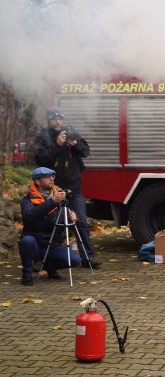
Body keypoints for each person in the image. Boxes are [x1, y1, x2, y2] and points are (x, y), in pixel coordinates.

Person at [33, 106, 100, 268]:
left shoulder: (71, 131)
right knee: (51, 224)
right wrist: (57, 145)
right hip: (53, 189)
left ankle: (87, 258)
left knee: (81, 222)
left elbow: (86, 152)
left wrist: (75, 144)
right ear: (48, 120)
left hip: (74, 188)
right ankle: (42, 258)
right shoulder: (42, 137)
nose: (58, 122)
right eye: (55, 119)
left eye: (60, 119)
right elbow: (41, 161)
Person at [19, 167, 82, 285]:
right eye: (48, 177)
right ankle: (26, 274)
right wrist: (52, 202)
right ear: (38, 181)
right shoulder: (28, 200)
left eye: (53, 176)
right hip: (35, 244)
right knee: (26, 241)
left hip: (53, 244)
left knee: (75, 260)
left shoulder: (60, 198)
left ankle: (49, 266)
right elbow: (30, 216)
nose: (52, 178)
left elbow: (65, 218)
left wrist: (71, 217)